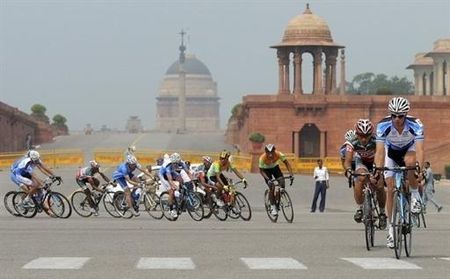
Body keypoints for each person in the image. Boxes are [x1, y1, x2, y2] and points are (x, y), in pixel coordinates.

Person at [374, 96, 424, 249]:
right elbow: (380, 152)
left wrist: (419, 169)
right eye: (393, 115)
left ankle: (415, 196)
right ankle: (390, 228)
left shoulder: (416, 124)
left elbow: (420, 150)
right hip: (391, 152)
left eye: (400, 116)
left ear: (406, 114)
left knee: (410, 164)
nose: (397, 119)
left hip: (408, 150)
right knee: (389, 187)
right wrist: (378, 170)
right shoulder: (383, 125)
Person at [344, 119, 387, 228]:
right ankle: (360, 208)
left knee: (380, 185)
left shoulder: (377, 140)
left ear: (371, 134)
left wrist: (378, 172)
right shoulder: (351, 141)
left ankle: (382, 213)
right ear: (356, 134)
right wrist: (349, 170)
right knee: (360, 178)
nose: (363, 139)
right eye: (361, 136)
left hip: (375, 161)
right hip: (361, 161)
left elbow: (381, 156)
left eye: (367, 136)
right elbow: (348, 161)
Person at [259, 144, 294, 216]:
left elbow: (287, 163)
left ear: (274, 151)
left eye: (272, 152)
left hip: (275, 168)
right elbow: (261, 171)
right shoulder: (262, 158)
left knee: (282, 183)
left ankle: (278, 197)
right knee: (272, 186)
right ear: (266, 152)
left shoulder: (279, 154)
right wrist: (268, 179)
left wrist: (291, 174)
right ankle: (272, 206)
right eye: (268, 153)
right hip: (266, 170)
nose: (271, 155)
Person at [158, 152, 191, 218]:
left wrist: (191, 179)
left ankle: (179, 196)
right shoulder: (168, 165)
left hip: (172, 171)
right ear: (172, 162)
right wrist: (175, 186)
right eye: (175, 163)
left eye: (177, 163)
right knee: (171, 191)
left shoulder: (181, 162)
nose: (176, 164)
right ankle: (171, 210)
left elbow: (187, 172)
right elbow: (170, 180)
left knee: (181, 179)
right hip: (163, 174)